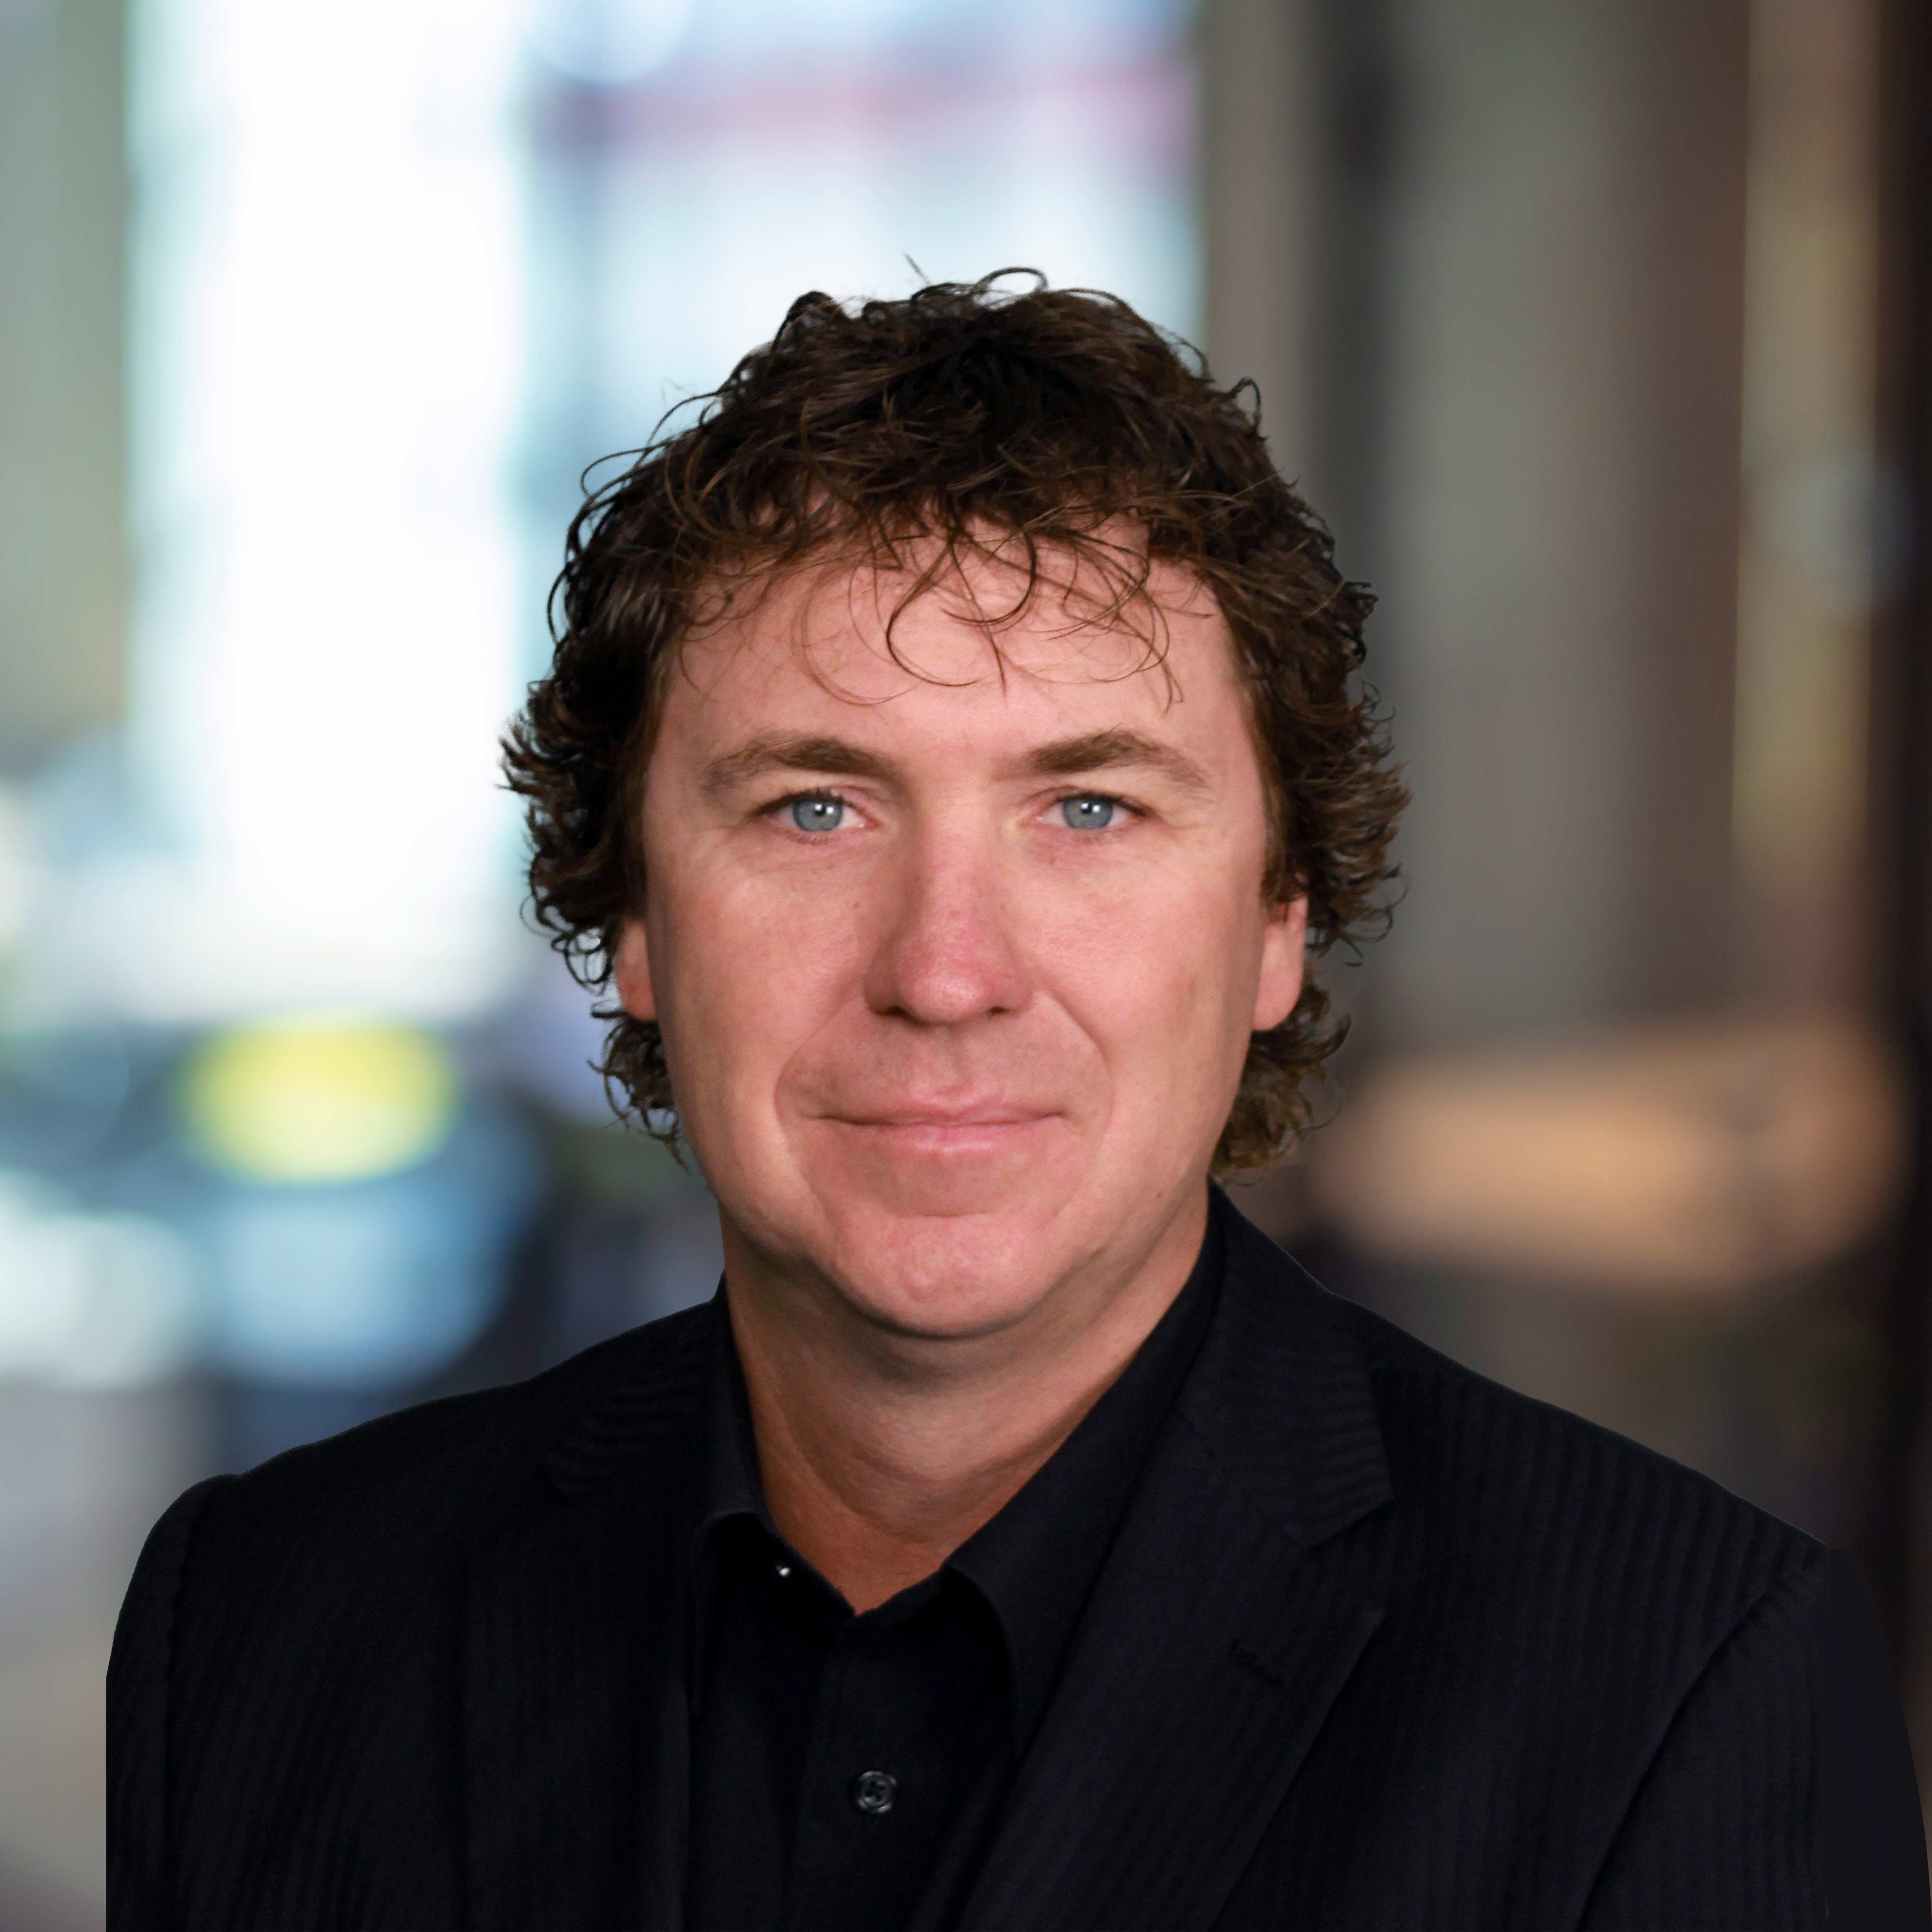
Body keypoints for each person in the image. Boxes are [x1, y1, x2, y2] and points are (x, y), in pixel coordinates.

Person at [109, 275, 1928, 1932]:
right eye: (816, 807)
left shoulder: (1686, 1682)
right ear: (637, 917)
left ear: (1276, 924)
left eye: (1089, 809)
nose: (947, 968)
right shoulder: (262, 1623)